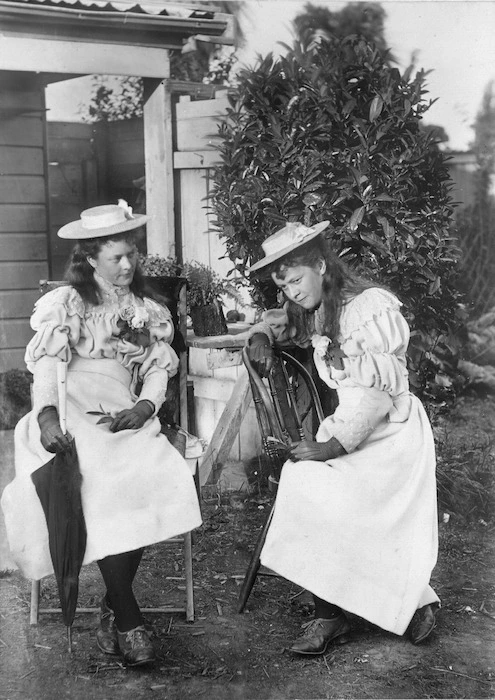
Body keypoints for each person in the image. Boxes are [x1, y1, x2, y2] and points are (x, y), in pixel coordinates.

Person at [1, 203, 202, 666]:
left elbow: (157, 370)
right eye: (116, 258)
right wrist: (47, 414)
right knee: (101, 476)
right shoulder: (66, 304)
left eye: (132, 254)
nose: (128, 265)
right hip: (70, 410)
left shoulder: (147, 309)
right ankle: (128, 618)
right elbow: (49, 367)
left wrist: (146, 406)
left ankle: (113, 606)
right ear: (91, 259)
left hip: (122, 409)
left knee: (154, 472)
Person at [246, 220, 439, 655]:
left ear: (320, 264)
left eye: (297, 280)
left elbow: (377, 393)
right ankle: (329, 615)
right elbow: (276, 323)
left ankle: (412, 600)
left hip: (391, 432)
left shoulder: (366, 307)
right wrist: (260, 334)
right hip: (349, 428)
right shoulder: (312, 309)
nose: (293, 292)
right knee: (305, 481)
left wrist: (332, 448)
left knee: (326, 482)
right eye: (285, 285)